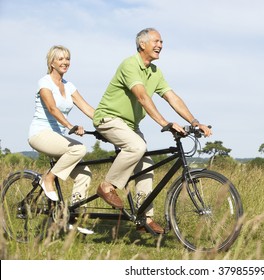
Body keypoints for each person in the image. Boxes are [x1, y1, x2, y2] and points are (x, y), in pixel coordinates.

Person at [93, 28, 212, 234]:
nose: (160, 45)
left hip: (130, 125)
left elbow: (171, 97)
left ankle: (143, 218)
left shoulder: (155, 72)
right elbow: (142, 97)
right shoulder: (130, 64)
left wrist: (194, 121)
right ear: (142, 44)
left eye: (162, 42)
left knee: (146, 166)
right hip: (109, 118)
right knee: (137, 146)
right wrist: (164, 122)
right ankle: (106, 186)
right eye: (156, 41)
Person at [28, 45, 95, 234]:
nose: (65, 62)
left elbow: (88, 108)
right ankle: (47, 179)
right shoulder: (44, 82)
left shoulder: (69, 85)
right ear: (51, 63)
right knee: (78, 149)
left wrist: (107, 124)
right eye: (60, 59)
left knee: (84, 174)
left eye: (67, 59)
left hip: (58, 137)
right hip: (40, 134)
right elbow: (52, 109)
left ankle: (71, 217)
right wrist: (70, 126)